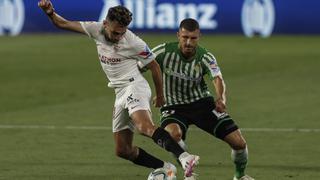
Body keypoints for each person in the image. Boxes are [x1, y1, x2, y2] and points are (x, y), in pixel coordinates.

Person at [38, 0, 200, 178]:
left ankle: (185, 157)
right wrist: (50, 12)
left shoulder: (133, 42)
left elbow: (154, 66)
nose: (118, 37)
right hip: (120, 92)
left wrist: (160, 95)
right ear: (105, 24)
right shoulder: (95, 29)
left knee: (144, 126)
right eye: (115, 32)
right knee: (123, 150)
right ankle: (167, 168)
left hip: (135, 86)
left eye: (121, 33)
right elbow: (63, 23)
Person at [148, 18, 255, 180]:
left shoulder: (205, 56)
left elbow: (217, 78)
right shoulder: (162, 52)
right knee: (173, 135)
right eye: (185, 37)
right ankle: (187, 168)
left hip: (202, 104)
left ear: (199, 37)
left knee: (239, 143)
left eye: (193, 38)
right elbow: (138, 67)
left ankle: (239, 176)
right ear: (178, 35)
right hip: (173, 105)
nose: (189, 42)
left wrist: (221, 98)